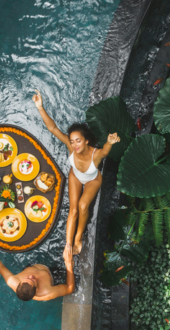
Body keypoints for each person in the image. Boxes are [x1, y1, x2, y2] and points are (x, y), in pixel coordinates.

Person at [32, 89, 120, 255]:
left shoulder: (95, 154)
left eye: (78, 141)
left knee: (83, 206)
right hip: (75, 176)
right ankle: (68, 245)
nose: (74, 145)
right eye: (72, 141)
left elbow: (105, 152)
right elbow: (52, 128)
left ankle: (78, 238)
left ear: (86, 141)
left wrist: (109, 142)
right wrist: (40, 107)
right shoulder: (71, 147)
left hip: (92, 180)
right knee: (73, 210)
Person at [0, 225, 75, 301]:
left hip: (35, 263)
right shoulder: (47, 293)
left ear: (20, 283)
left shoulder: (13, 281)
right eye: (32, 280)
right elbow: (70, 289)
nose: (31, 276)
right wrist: (68, 263)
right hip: (52, 273)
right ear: (36, 290)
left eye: (27, 278)